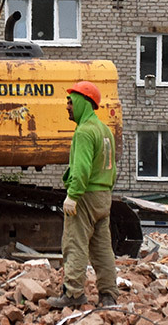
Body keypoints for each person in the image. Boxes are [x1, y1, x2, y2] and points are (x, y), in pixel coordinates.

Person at [46, 81, 119, 310]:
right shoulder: (105, 130)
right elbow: (113, 168)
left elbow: (81, 168)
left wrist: (73, 195)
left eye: (70, 102)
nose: (67, 106)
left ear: (82, 102)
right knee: (102, 248)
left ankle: (74, 293)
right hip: (103, 196)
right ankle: (108, 295)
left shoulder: (85, 131)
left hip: (85, 195)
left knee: (74, 243)